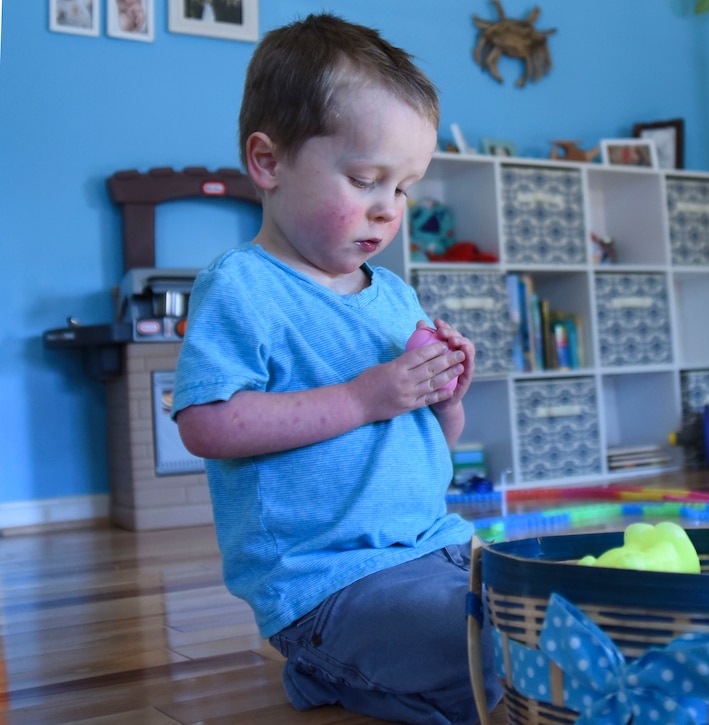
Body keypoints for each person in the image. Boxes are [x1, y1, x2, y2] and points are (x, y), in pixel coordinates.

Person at [171, 13, 500, 725]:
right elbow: (204, 423)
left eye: (404, 189)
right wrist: (366, 396)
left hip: (440, 547)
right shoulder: (242, 286)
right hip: (329, 583)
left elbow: (428, 446)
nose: (388, 212)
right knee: (486, 653)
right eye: (365, 179)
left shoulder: (394, 295)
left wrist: (442, 400)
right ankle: (323, 667)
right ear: (268, 162)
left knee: (554, 605)